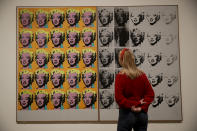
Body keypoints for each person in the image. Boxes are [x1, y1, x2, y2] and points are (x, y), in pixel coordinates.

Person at [115, 48, 154, 131]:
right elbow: (151, 95)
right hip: (142, 115)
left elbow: (119, 98)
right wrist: (141, 107)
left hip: (126, 115)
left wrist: (132, 106)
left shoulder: (120, 76)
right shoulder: (142, 75)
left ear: (122, 60)